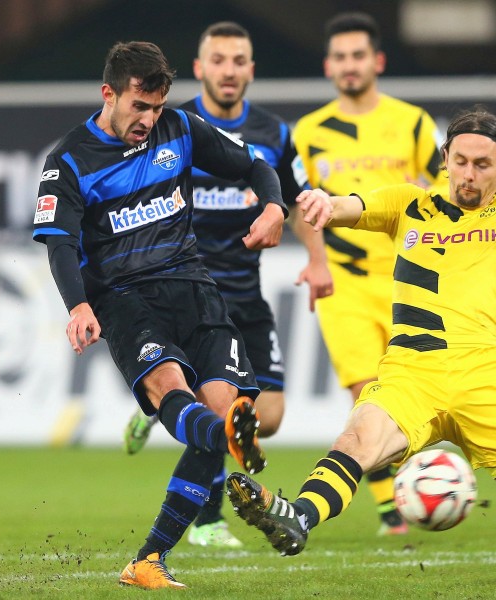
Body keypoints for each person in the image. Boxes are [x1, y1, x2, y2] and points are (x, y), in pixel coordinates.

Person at [225, 27, 496, 583]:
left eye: (482, 165)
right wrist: (324, 203)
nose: (468, 175)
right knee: (355, 440)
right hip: (412, 373)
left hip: (488, 380)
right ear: (445, 158)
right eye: (460, 161)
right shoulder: (410, 204)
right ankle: (295, 517)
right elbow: (353, 204)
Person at [33, 40, 286, 590]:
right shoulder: (69, 160)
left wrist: (273, 206)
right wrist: (77, 304)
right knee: (171, 388)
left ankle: (149, 560)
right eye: (138, 107)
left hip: (195, 289)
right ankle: (234, 454)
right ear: (109, 94)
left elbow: (256, 167)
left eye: (156, 107)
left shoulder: (182, 128)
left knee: (220, 418)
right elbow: (58, 244)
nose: (148, 119)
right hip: (124, 298)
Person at [121, 21, 333, 549]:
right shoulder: (171, 126)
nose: (229, 70)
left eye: (239, 61)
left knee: (269, 417)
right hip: (186, 294)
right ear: (199, 69)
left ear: (252, 70)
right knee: (226, 407)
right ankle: (208, 518)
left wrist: (318, 260)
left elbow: (302, 201)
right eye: (219, 60)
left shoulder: (275, 135)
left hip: (245, 293)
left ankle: (166, 405)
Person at [291, 11, 446, 536]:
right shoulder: (309, 133)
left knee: (416, 397)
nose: (349, 65)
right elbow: (300, 204)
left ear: (376, 61)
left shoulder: (413, 122)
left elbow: (449, 190)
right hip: (345, 283)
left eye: (359, 55)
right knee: (367, 390)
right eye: (340, 56)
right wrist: (316, 262)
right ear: (328, 65)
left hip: (410, 280)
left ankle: (406, 490)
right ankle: (393, 510)